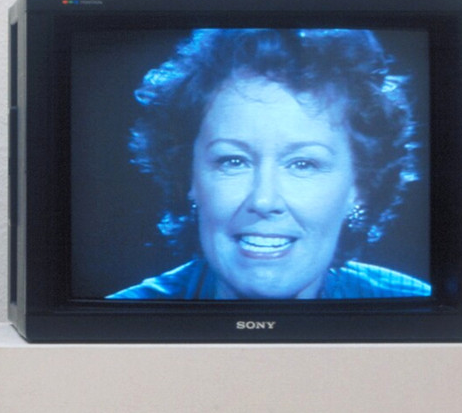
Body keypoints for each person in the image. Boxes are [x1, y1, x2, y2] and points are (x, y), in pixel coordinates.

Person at [109, 29, 430, 300]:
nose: (264, 200)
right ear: (190, 179)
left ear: (359, 186)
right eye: (233, 161)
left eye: (303, 164)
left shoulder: (414, 311)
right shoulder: (122, 321)